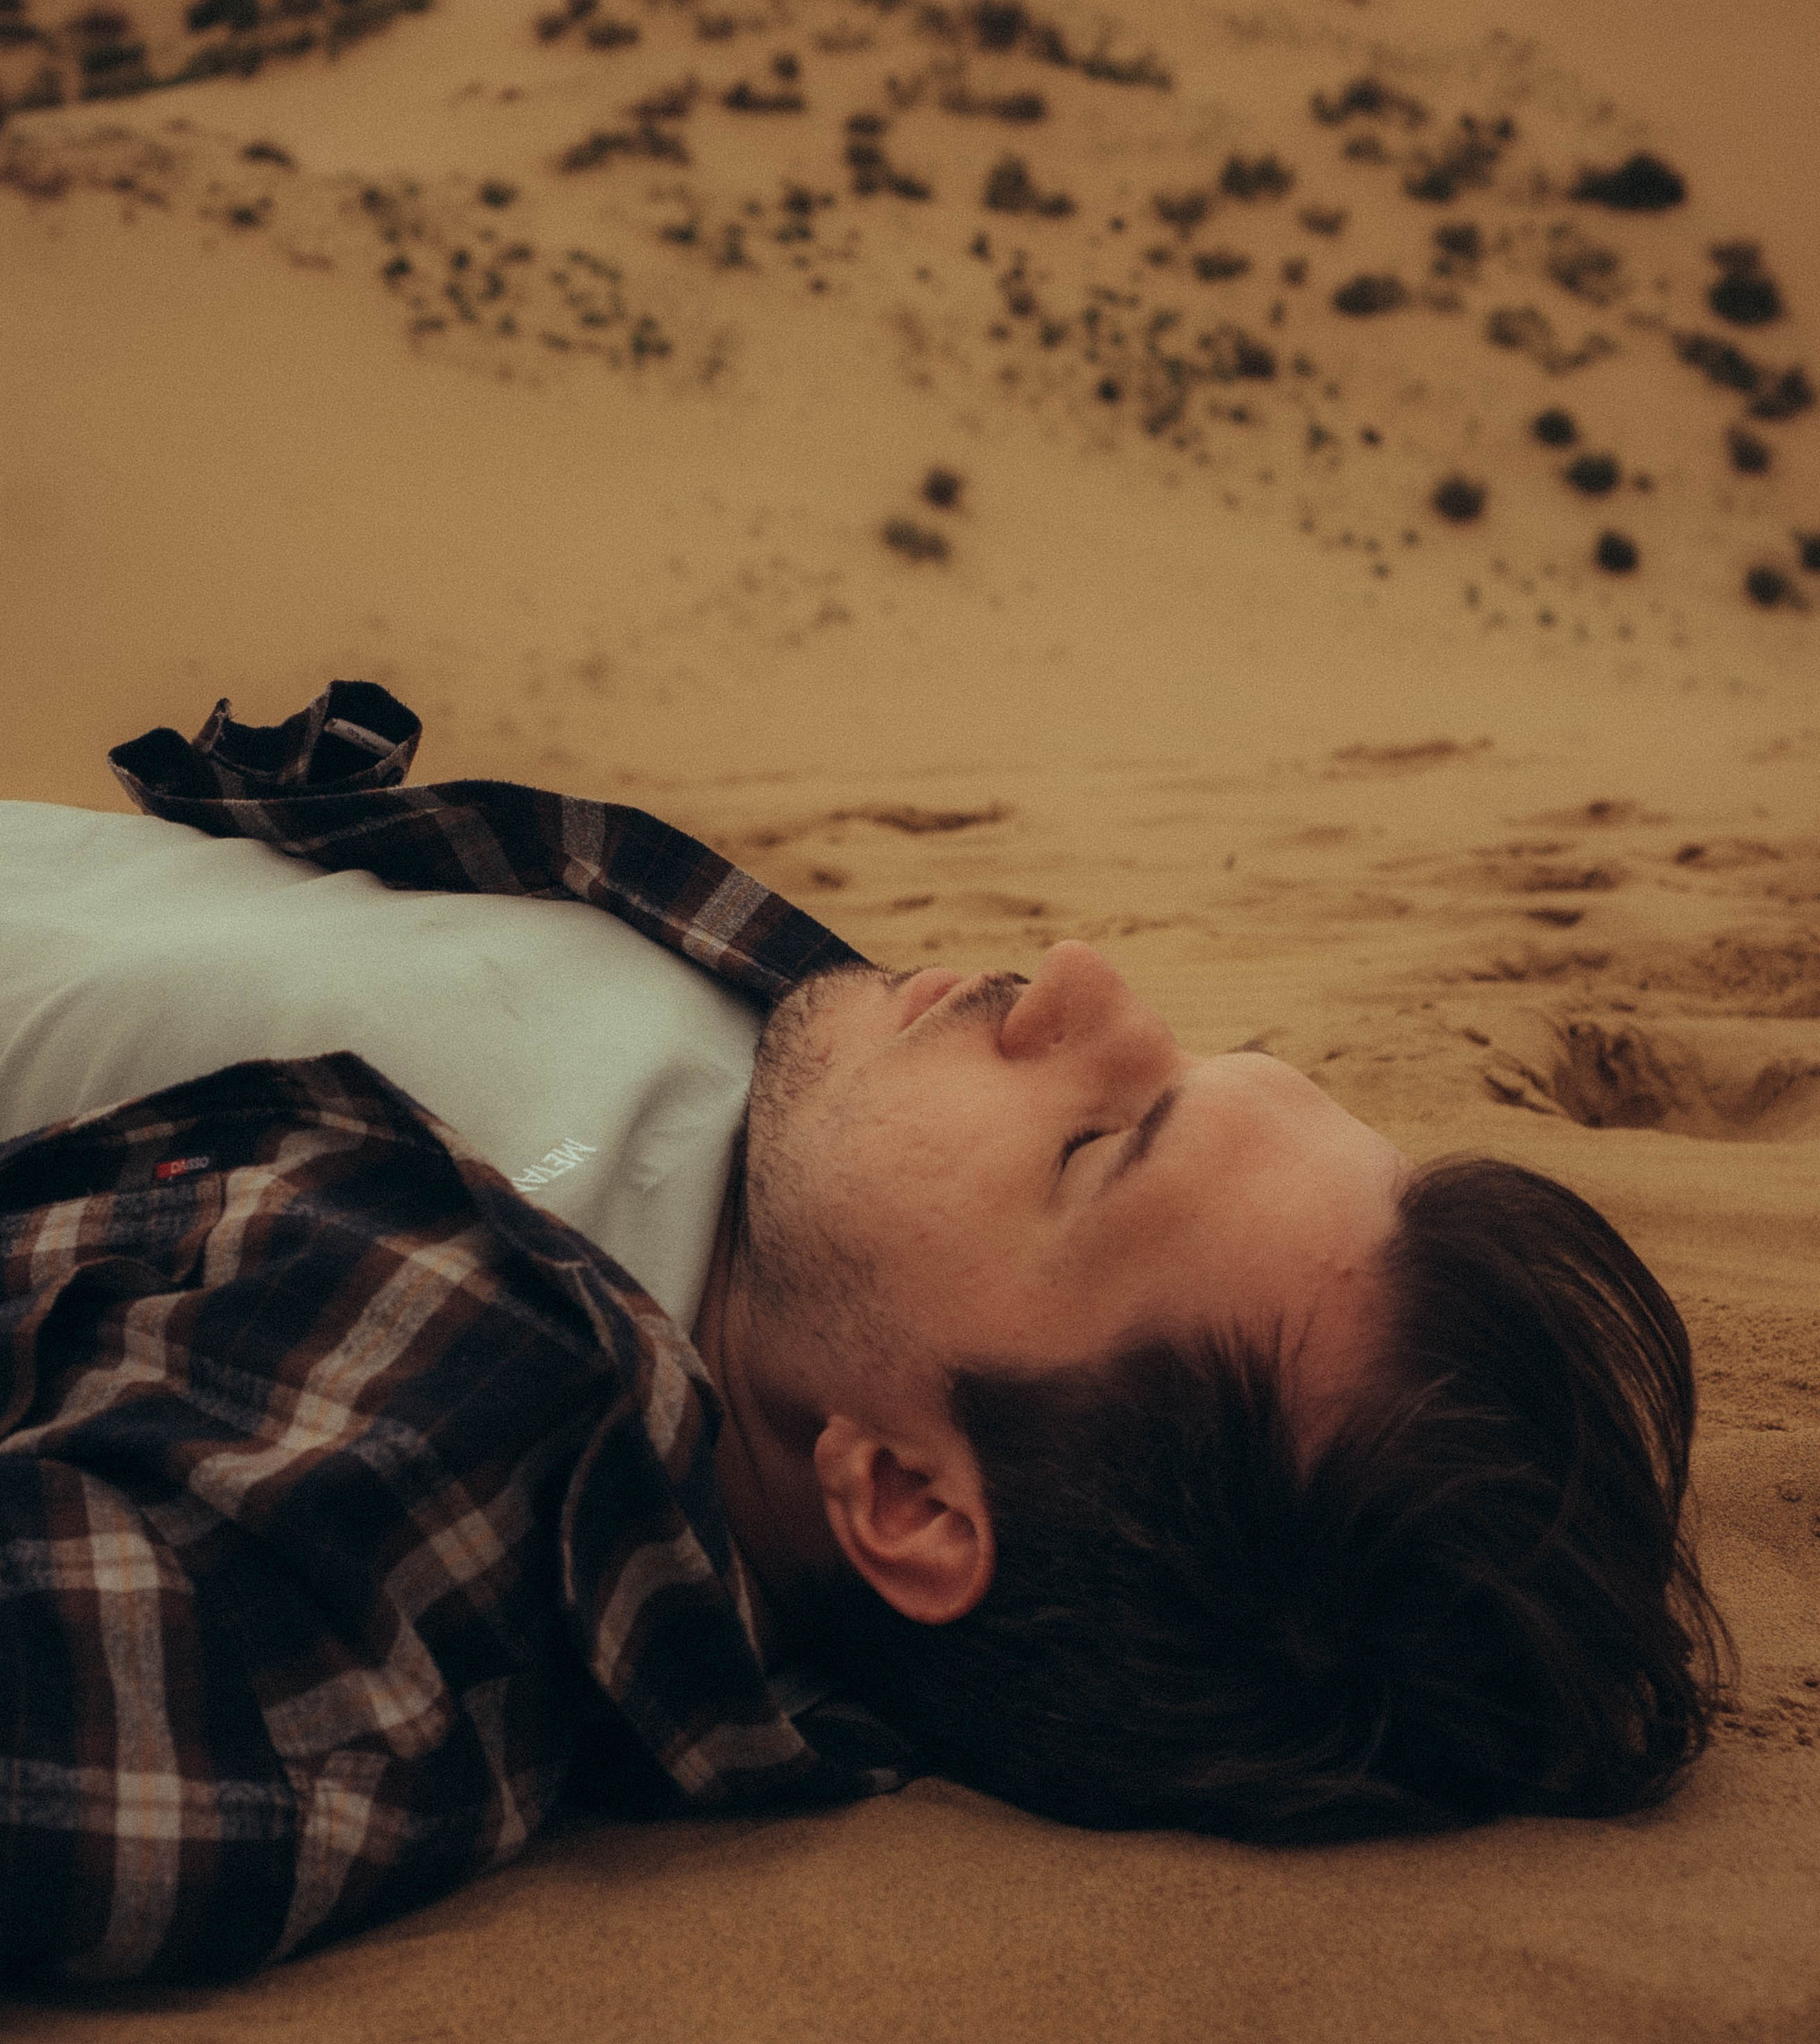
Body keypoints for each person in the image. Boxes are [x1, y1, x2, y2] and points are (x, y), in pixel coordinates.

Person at [0, 682, 1729, 1986]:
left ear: (903, 1499)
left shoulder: (406, 1489)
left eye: (1097, 1143)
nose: (1079, 978)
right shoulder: (828, 1159)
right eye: (1186, 1067)